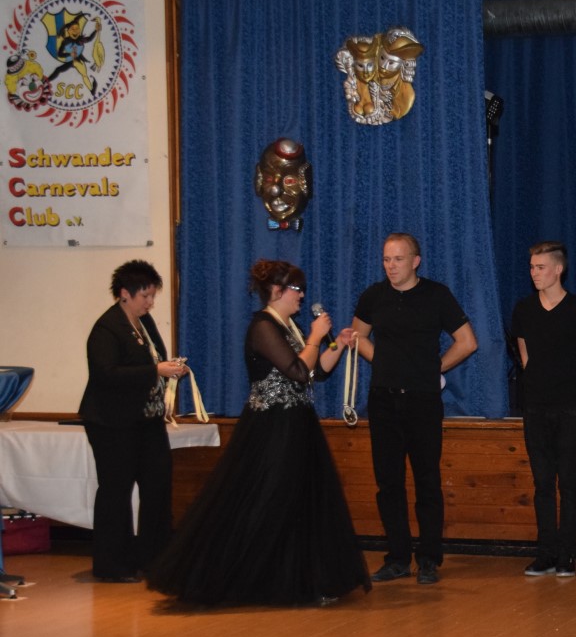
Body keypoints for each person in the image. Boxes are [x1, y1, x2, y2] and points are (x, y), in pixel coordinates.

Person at [146, 260, 370, 606]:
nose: (302, 296)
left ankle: (305, 580)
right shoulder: (263, 327)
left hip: (297, 424)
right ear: (277, 291)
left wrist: (336, 345)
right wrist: (314, 337)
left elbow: (317, 372)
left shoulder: (289, 326)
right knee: (266, 497)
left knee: (300, 500)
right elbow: (297, 371)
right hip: (272, 427)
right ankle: (239, 577)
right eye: (297, 289)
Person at [352, 233, 478, 585]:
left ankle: (428, 559)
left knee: (427, 480)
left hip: (422, 399)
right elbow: (357, 335)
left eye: (398, 259)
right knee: (388, 482)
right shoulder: (373, 296)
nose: (391, 266)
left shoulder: (436, 295)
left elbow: (468, 342)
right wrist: (384, 363)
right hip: (383, 399)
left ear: (415, 261)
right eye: (386, 259)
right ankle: (397, 558)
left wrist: (432, 369)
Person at [79, 260, 185, 583]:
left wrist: (169, 368)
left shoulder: (145, 323)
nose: (150, 302)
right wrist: (156, 370)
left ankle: (154, 558)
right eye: (145, 296)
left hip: (147, 419)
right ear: (125, 293)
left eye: (153, 296)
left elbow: (153, 360)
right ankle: (112, 564)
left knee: (157, 484)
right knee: (116, 489)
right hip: (112, 422)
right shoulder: (106, 328)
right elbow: (106, 374)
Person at [511, 241, 576, 578]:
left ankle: (567, 553)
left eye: (541, 267)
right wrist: (536, 387)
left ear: (558, 269)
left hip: (569, 409)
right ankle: (545, 552)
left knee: (569, 482)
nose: (534, 273)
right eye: (532, 267)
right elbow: (524, 354)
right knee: (542, 482)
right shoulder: (524, 309)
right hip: (535, 407)